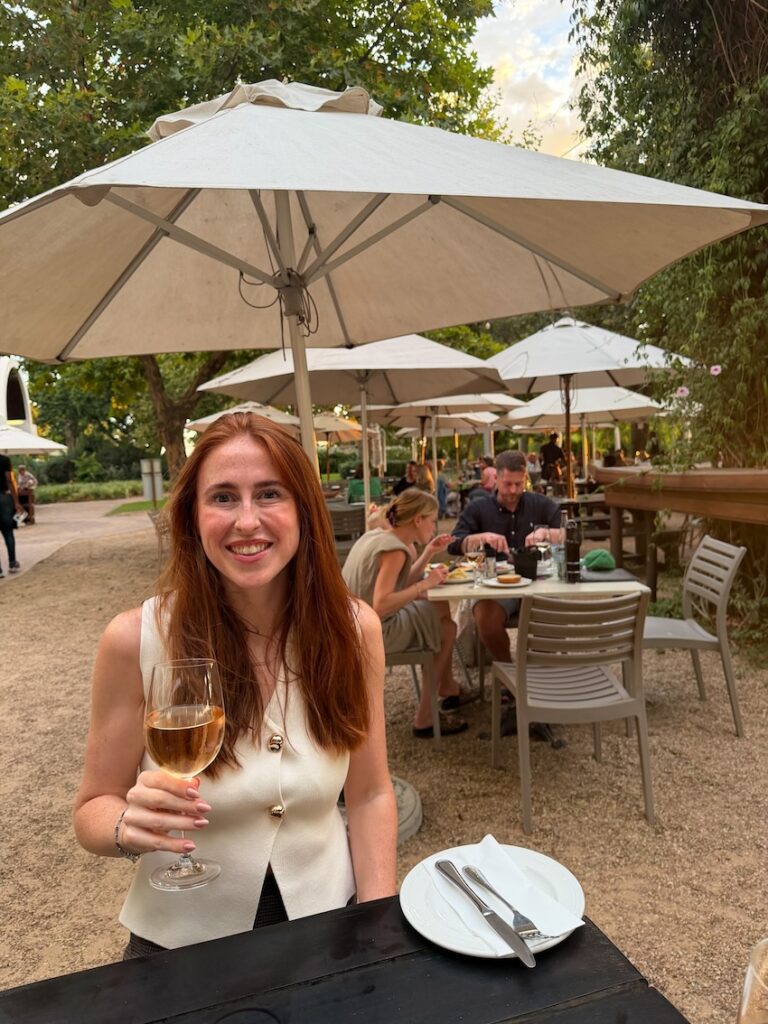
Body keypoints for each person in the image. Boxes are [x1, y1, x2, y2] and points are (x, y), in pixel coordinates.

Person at [73, 413, 397, 957]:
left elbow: (369, 794)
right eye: (223, 497)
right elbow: (91, 810)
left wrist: (381, 924)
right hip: (180, 949)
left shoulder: (355, 630)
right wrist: (127, 825)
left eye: (269, 493)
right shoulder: (135, 640)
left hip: (330, 931)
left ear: (304, 513)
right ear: (192, 518)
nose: (247, 520)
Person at [342, 489, 468, 738]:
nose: (435, 526)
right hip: (373, 632)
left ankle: (445, 685)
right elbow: (382, 603)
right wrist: (425, 584)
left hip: (351, 624)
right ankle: (426, 716)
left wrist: (428, 553)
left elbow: (397, 583)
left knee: (439, 609)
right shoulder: (396, 551)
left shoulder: (378, 536)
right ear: (418, 520)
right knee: (447, 629)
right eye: (433, 520)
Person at [447, 449, 562, 664]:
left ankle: (543, 671)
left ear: (525, 479)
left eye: (519, 484)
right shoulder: (478, 508)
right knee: (484, 616)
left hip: (540, 580)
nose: (513, 490)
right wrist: (482, 537)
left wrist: (545, 533)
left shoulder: (539, 503)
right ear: (496, 478)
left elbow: (572, 534)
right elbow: (453, 544)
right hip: (497, 583)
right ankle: (508, 671)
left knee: (554, 617)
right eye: (508, 483)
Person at [0, 451, 22, 578]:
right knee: (8, 532)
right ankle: (12, 563)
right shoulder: (4, 460)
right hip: (3, 497)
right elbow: (9, 480)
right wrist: (16, 501)